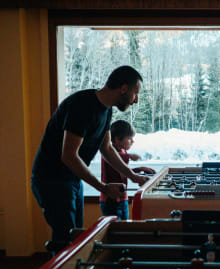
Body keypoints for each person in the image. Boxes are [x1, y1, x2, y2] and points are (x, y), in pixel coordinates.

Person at [31, 66, 149, 254]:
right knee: (65, 243)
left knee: (74, 238)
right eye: (136, 93)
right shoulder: (82, 106)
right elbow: (69, 156)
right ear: (124, 88)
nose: (136, 100)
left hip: (71, 180)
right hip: (51, 180)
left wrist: (133, 176)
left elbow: (108, 149)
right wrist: (103, 188)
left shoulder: (107, 110)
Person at [100, 120, 155, 220]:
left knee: (124, 225)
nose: (132, 141)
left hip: (122, 198)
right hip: (110, 200)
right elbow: (121, 161)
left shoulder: (123, 151)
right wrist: (130, 157)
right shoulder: (109, 153)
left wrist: (140, 169)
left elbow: (124, 171)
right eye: (129, 139)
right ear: (117, 140)